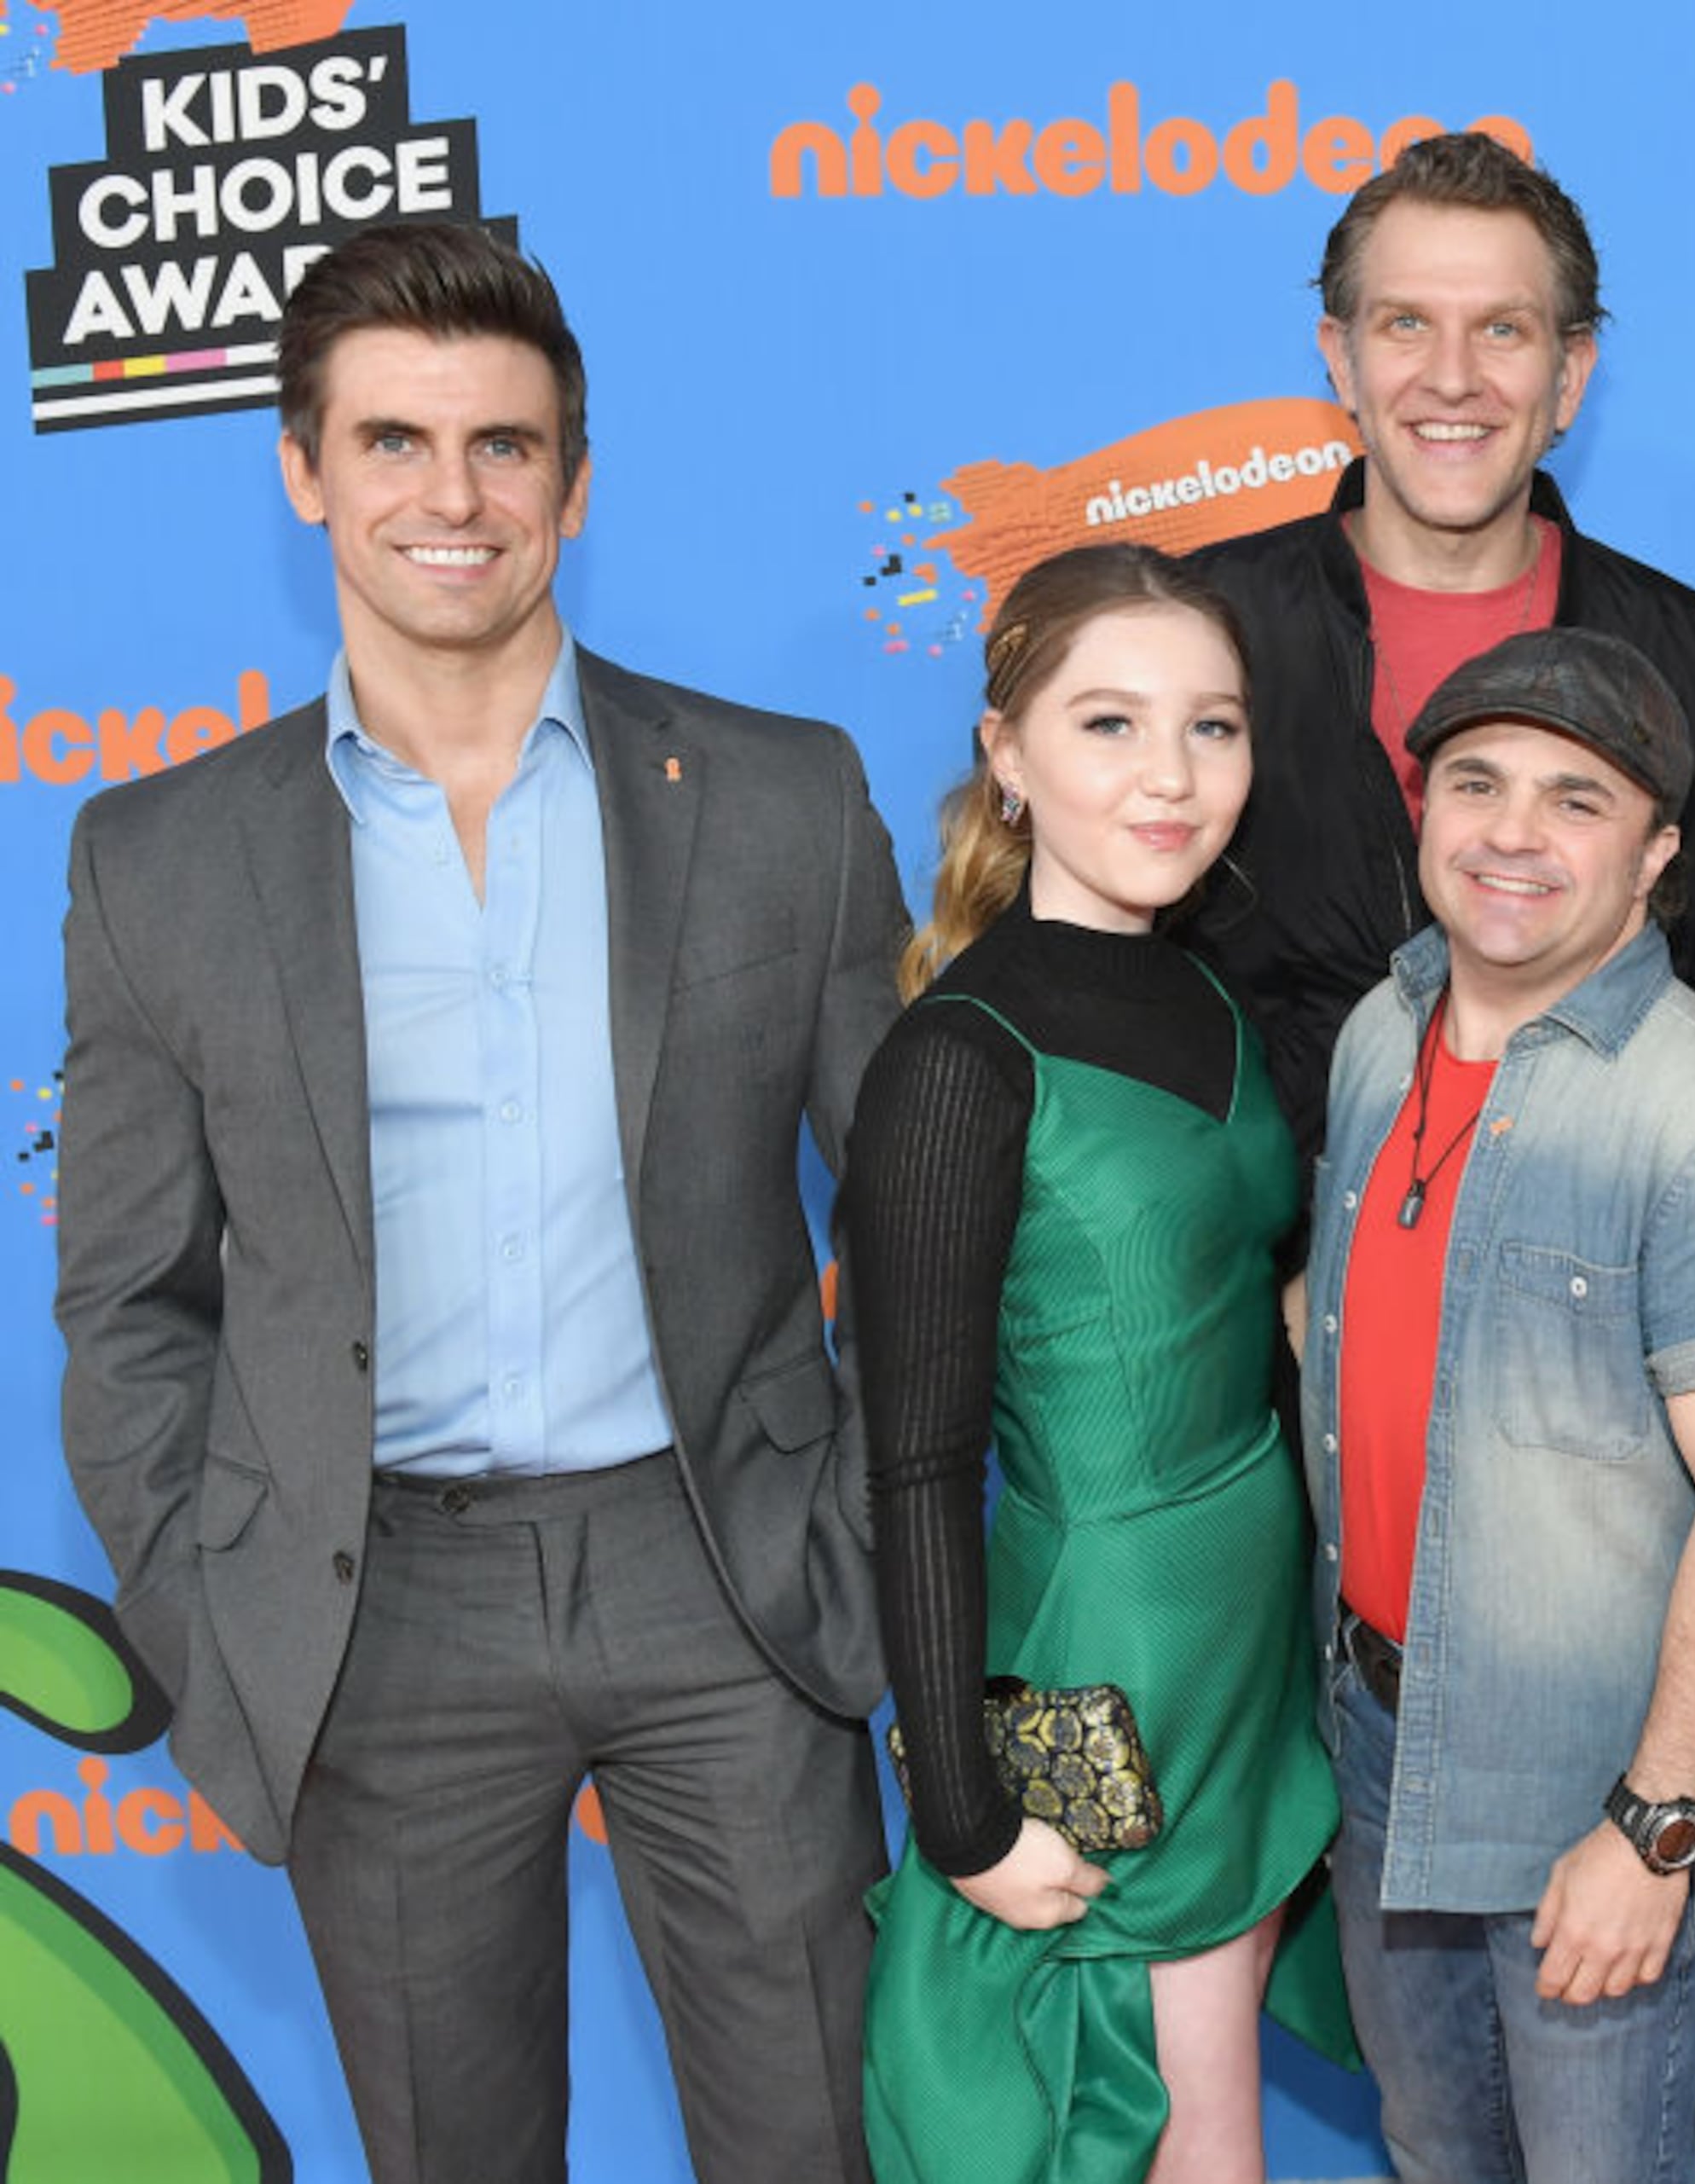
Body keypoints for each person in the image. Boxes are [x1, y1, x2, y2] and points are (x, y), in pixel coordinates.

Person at [55, 220, 904, 2183]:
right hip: (375, 1608)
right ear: (304, 469)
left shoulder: (778, 799)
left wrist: (857, 1531)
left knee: (816, 2148)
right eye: (394, 442)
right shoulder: (158, 857)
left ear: (575, 481)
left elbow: (922, 1228)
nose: (453, 496)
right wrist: (216, 1596)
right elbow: (129, 1304)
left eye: (504, 446)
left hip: (731, 1575)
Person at [1299, 625, 1695, 2184]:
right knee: (1432, 2153)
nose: (1514, 833)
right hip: (1382, 1740)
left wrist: (1656, 1823)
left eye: (1576, 799)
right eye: (1477, 783)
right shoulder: (1375, 1035)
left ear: (1658, 850)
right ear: (1423, 813)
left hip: (1595, 1785)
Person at [839, 545, 1347, 2184]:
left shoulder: (1205, 987)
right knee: (1177, 2140)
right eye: (1112, 724)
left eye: (1213, 728)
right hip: (1113, 1647)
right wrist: (967, 1811)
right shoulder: (956, 1057)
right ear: (1008, 753)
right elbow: (910, 1461)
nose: (1172, 777)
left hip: (1253, 1627)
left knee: (1208, 2114)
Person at [1187, 127, 1695, 1157]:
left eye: (1504, 331)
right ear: (1341, 357)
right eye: (1408, 323)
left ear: (1569, 375)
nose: (1453, 377)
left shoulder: (1687, 654)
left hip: (1592, 1288)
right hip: (1255, 1289)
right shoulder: (1206, 634)